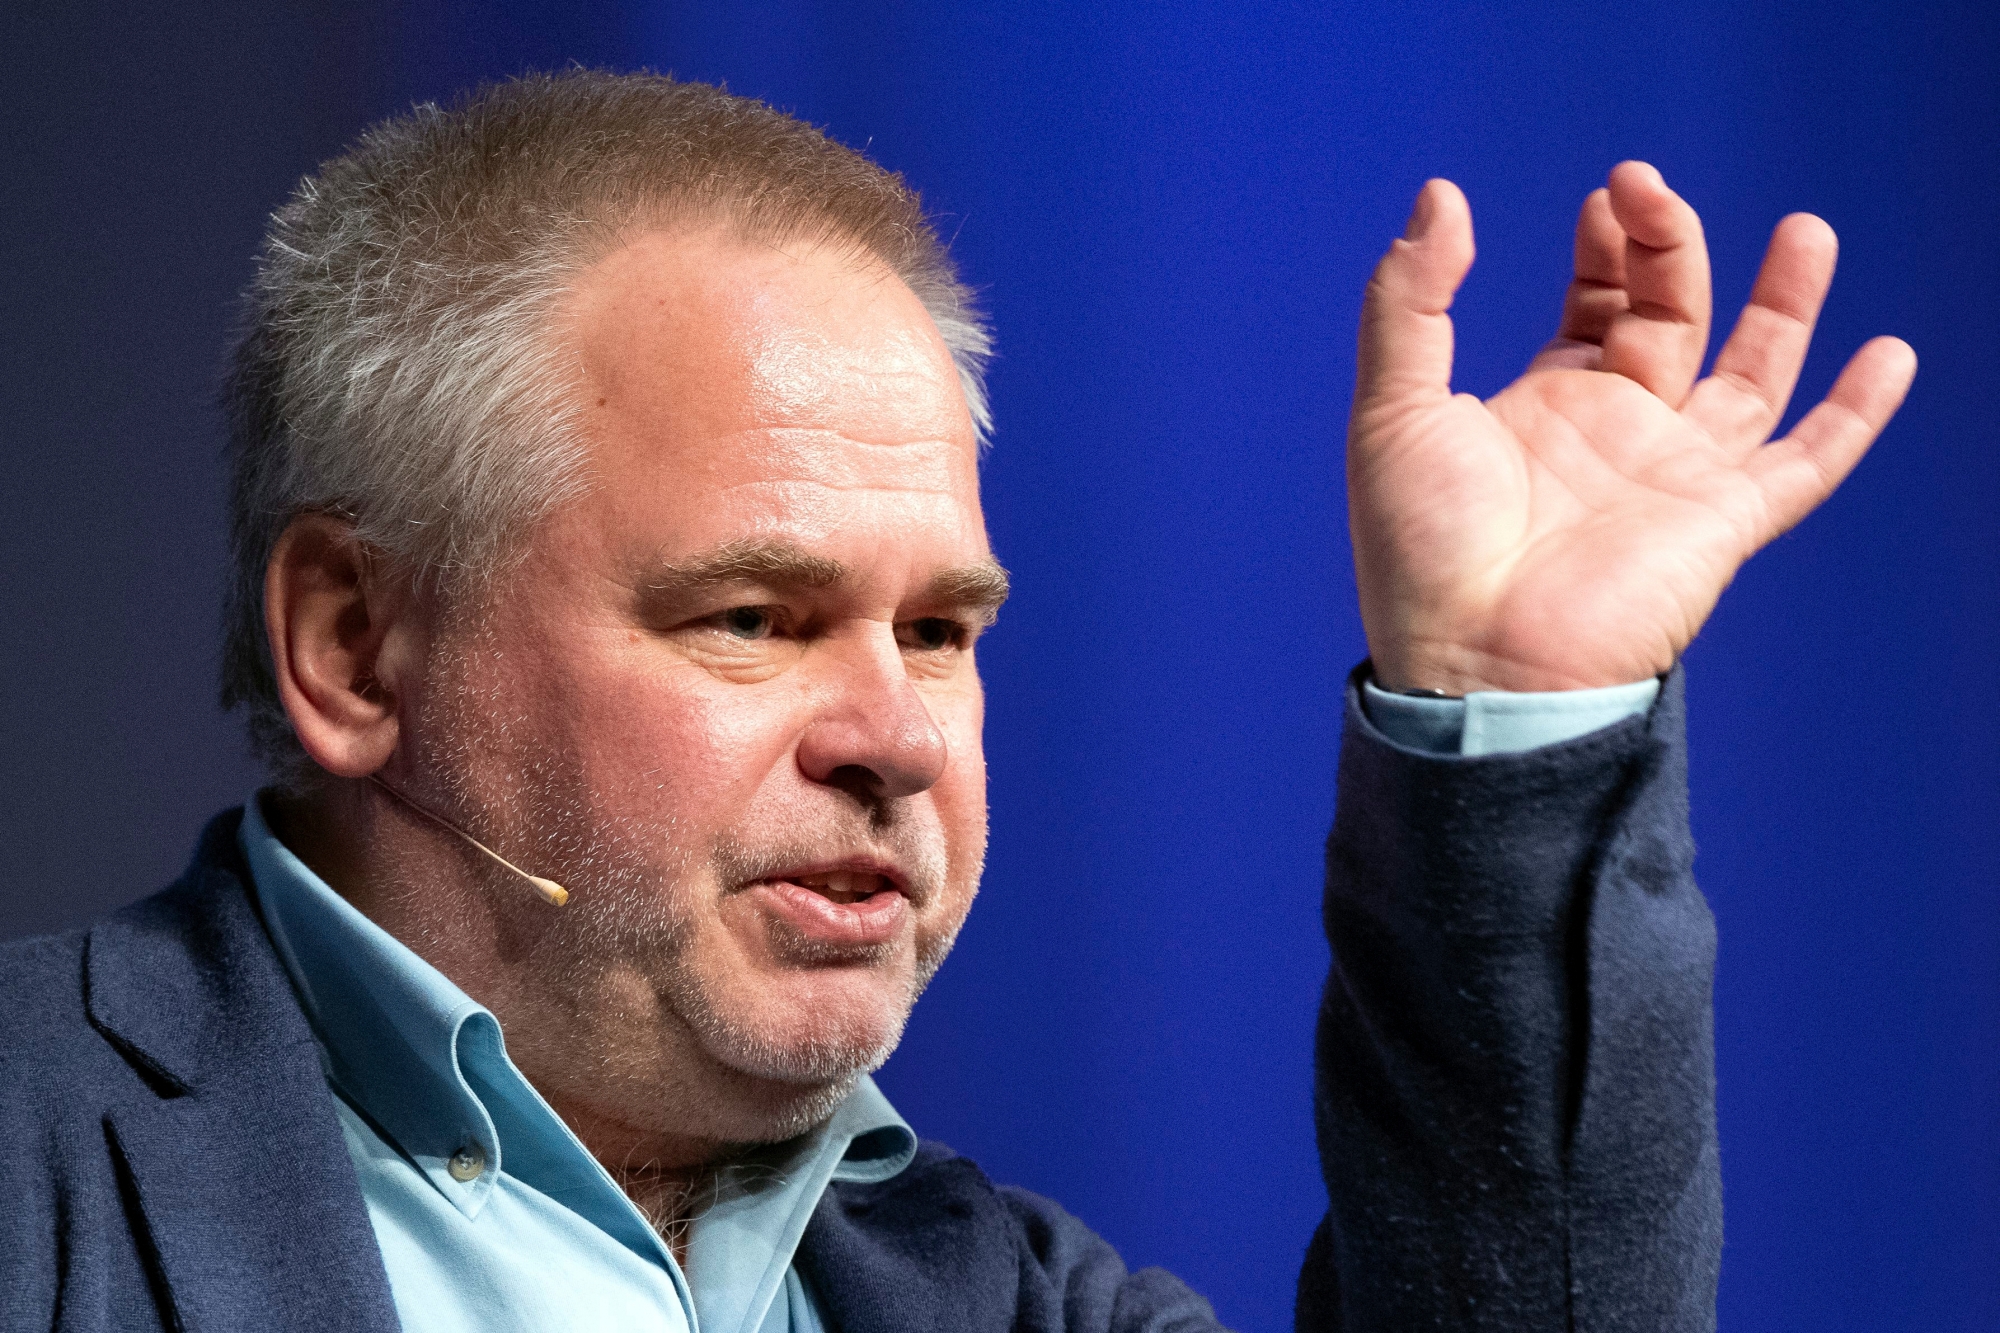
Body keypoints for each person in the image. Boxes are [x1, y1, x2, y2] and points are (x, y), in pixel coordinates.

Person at [0, 71, 1913, 1333]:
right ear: (353, 645)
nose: (898, 735)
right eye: (751, 615)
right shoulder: (39, 1161)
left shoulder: (1013, 1301)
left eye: (942, 631)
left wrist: (1516, 711)